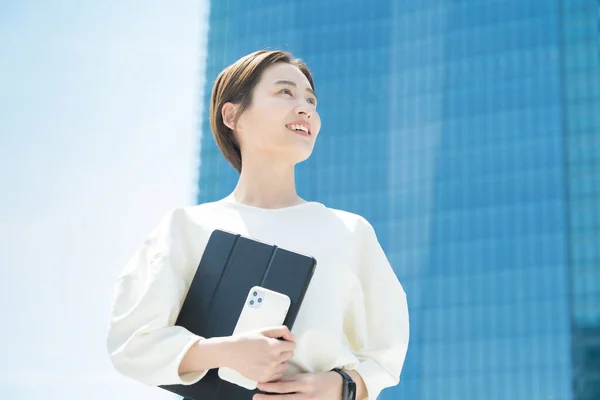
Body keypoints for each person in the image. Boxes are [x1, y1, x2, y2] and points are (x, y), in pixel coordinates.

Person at [106, 49, 409, 400]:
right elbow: (131, 341)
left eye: (311, 100)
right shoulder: (188, 226)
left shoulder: (350, 232)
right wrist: (223, 352)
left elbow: (386, 352)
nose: (305, 108)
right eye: (285, 92)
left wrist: (340, 387)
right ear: (232, 115)